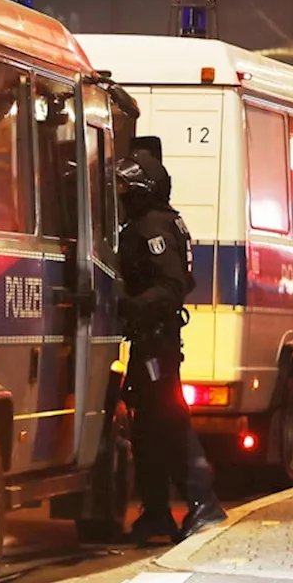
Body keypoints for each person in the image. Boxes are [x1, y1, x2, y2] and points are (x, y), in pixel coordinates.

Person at [116, 149, 227, 543]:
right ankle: (156, 513)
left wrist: (127, 305)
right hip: (150, 341)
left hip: (156, 341)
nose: (120, 195)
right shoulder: (160, 222)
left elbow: (171, 286)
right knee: (146, 428)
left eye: (125, 188)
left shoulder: (152, 229)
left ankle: (203, 503)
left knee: (170, 422)